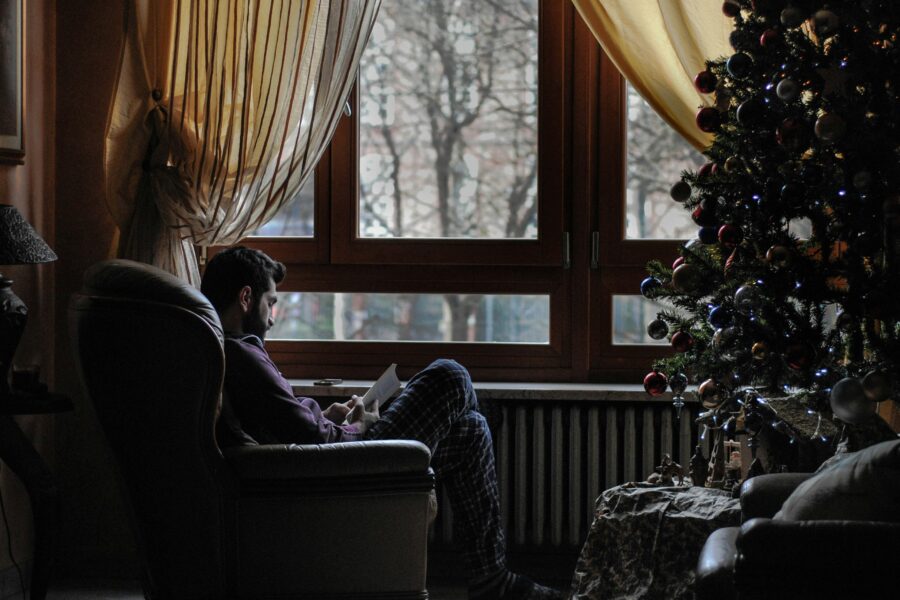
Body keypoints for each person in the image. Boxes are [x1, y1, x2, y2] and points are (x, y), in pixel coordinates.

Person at [200, 246, 564, 600]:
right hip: (336, 472)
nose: (273, 317)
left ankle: (491, 580)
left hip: (326, 460)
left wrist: (328, 415)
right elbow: (309, 438)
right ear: (246, 298)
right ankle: (494, 580)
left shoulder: (231, 352)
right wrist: (362, 426)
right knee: (450, 375)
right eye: (271, 302)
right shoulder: (242, 355)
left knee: (471, 431)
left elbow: (290, 425)